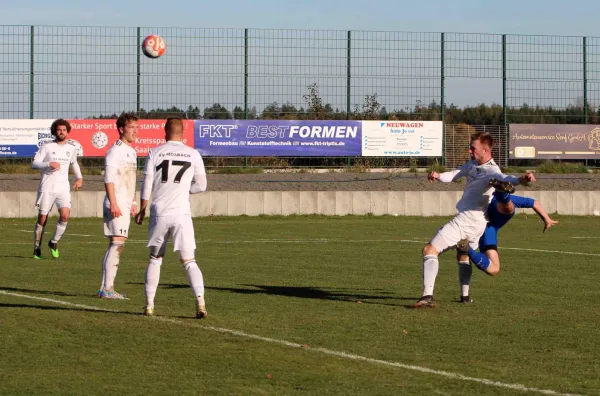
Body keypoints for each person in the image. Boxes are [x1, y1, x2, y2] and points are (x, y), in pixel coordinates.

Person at [414, 132, 535, 308]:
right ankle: (465, 296)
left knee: (429, 250)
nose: (469, 150)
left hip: (467, 220)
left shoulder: (492, 171)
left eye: (473, 148)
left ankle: (427, 296)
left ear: (485, 151)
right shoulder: (472, 164)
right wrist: (439, 176)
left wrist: (523, 178)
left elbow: (509, 179)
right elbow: (455, 174)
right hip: (478, 223)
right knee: (463, 255)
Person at [135, 116, 208, 318]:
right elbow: (202, 185)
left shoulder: (154, 152)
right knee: (189, 261)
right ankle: (200, 303)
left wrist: (142, 208)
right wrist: (186, 190)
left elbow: (146, 184)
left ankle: (149, 305)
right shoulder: (193, 154)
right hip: (181, 213)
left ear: (164, 131)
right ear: (183, 132)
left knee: (155, 259)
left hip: (160, 212)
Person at [455, 188, 559, 290]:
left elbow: (534, 203)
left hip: (486, 231)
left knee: (492, 268)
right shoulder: (490, 199)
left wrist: (547, 219)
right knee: (468, 259)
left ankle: (467, 252)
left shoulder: (506, 200)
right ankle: (467, 251)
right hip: (482, 229)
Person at [97, 113, 139, 299]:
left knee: (116, 244)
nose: (135, 131)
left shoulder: (131, 151)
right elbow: (109, 178)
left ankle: (105, 288)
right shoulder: (115, 150)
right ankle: (107, 289)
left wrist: (134, 200)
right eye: (132, 128)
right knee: (117, 244)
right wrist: (114, 202)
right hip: (116, 203)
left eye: (136, 128)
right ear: (121, 129)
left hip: (124, 202)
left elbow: (130, 178)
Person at [31, 118, 83, 259]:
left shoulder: (71, 148)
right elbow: (34, 164)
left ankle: (53, 242)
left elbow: (74, 163)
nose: (61, 132)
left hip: (63, 188)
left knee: (65, 215)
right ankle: (37, 247)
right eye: (59, 130)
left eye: (64, 130)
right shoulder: (47, 147)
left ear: (67, 132)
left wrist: (79, 178)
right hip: (47, 187)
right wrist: (49, 163)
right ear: (55, 131)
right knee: (42, 218)